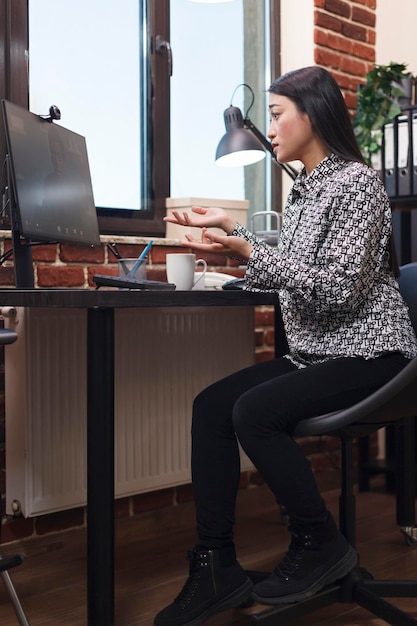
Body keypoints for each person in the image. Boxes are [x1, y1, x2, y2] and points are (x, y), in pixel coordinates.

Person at [154, 66, 417, 626]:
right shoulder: (305, 190)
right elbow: (296, 270)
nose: (269, 129)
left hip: (374, 356)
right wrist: (235, 237)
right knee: (211, 406)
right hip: (319, 354)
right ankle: (216, 564)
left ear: (312, 114)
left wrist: (249, 253)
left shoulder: (357, 184)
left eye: (276, 116)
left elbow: (337, 286)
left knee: (255, 412)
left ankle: (321, 540)